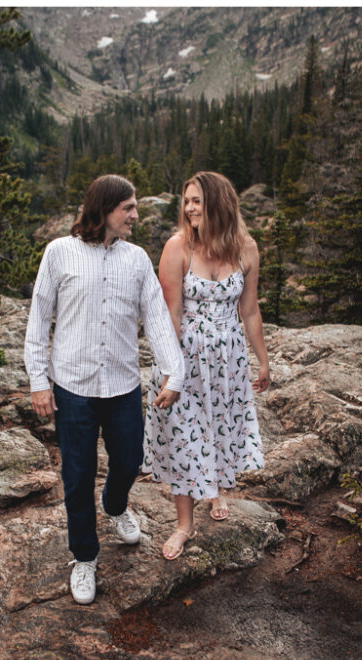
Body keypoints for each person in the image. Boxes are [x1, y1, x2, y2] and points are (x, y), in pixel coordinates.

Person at [24, 174, 185, 605]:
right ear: (104, 209)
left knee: (131, 459)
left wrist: (175, 372)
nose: (136, 214)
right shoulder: (59, 253)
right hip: (73, 387)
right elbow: (39, 319)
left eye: (135, 207)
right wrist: (39, 382)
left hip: (122, 385)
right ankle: (84, 556)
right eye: (128, 208)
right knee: (76, 476)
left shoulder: (136, 259)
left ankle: (115, 505)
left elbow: (155, 318)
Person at [142, 171, 271, 560]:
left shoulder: (246, 249)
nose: (190, 208)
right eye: (187, 201)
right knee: (183, 437)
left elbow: (249, 310)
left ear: (219, 202)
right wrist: (170, 372)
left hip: (228, 362)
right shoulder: (177, 248)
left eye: (197, 200)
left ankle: (216, 488)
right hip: (185, 360)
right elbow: (170, 315)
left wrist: (262, 361)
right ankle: (184, 524)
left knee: (219, 428)